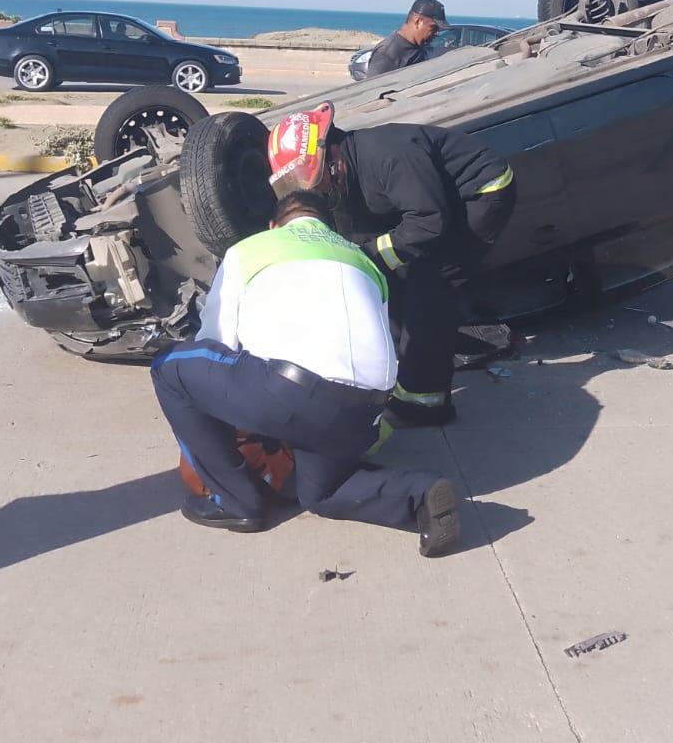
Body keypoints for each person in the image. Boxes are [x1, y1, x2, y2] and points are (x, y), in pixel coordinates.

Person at [149, 190, 461, 556]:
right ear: (329, 228)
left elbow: (217, 343)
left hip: (291, 394)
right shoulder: (363, 260)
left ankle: (236, 501)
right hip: (367, 411)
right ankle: (421, 496)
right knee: (322, 493)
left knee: (170, 369)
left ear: (273, 225)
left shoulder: (250, 249)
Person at [267, 102, 515, 427]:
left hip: (480, 195)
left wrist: (368, 258)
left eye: (318, 182)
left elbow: (429, 222)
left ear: (334, 157)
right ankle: (410, 359)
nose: (319, 192)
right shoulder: (347, 172)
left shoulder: (390, 157)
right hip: (434, 203)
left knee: (429, 291)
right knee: (392, 280)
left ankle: (425, 403)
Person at [365, 0, 449, 77]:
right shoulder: (387, 54)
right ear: (418, 21)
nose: (437, 33)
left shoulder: (419, 46)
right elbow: (373, 89)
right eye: (434, 28)